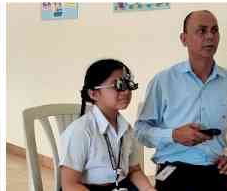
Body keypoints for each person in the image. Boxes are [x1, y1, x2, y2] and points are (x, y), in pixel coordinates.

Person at [134, 10, 227, 191]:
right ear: (184, 39)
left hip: (218, 169)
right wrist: (173, 135)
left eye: (214, 30)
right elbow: (141, 131)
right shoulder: (163, 81)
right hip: (174, 168)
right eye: (202, 31)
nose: (210, 37)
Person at [60, 59, 156, 191]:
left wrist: (149, 189)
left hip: (121, 185)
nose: (127, 91)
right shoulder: (81, 131)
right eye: (118, 85)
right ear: (93, 93)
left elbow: (134, 170)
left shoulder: (126, 128)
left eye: (128, 84)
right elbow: (69, 184)